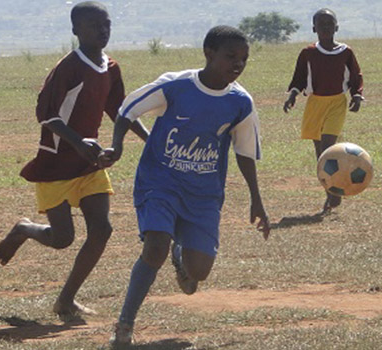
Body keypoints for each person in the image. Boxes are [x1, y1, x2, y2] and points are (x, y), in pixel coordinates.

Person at [103, 25, 270, 347]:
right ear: (209, 53)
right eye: (230, 56)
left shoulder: (240, 102)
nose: (238, 64)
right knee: (154, 247)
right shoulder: (176, 86)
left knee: (199, 272)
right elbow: (126, 111)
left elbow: (245, 153)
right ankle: (124, 325)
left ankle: (181, 255)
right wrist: (119, 147)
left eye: (244, 59)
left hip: (204, 194)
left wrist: (256, 200)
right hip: (160, 182)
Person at [0, 1, 149, 318]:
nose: (102, 30)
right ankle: (24, 228)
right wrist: (78, 143)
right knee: (63, 238)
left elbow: (121, 112)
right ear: (75, 30)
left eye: (106, 24)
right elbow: (47, 115)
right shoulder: (68, 68)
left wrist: (148, 140)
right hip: (56, 163)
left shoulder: (111, 67)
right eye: (94, 25)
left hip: (89, 163)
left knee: (102, 230)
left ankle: (65, 300)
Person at [283, 8, 363, 213]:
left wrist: (356, 94)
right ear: (314, 28)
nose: (326, 27)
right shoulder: (308, 53)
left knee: (329, 147)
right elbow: (299, 77)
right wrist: (292, 95)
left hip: (337, 103)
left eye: (330, 23)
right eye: (321, 24)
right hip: (314, 104)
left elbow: (355, 76)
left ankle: (335, 195)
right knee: (320, 155)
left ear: (336, 27)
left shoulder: (346, 52)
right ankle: (330, 194)